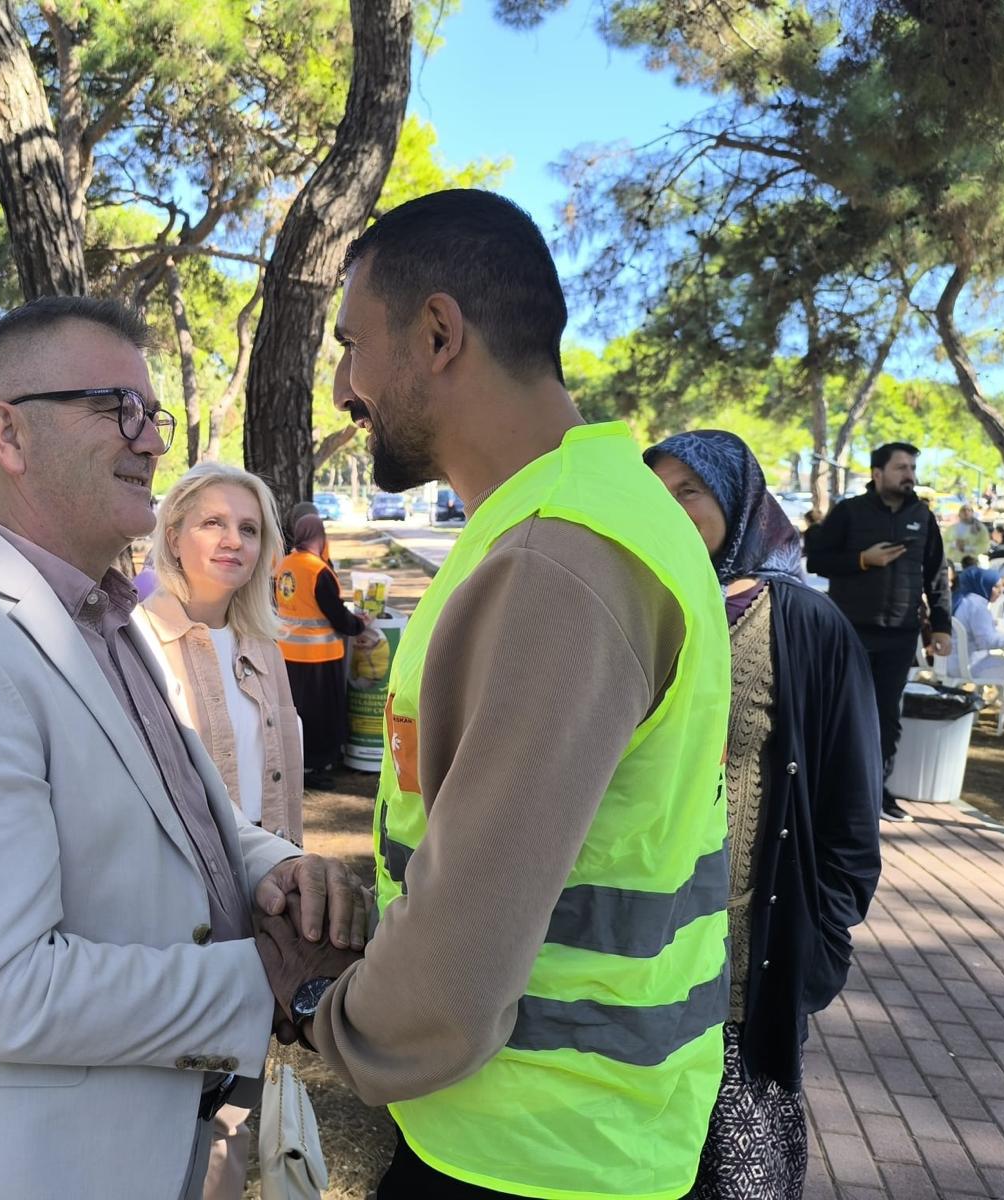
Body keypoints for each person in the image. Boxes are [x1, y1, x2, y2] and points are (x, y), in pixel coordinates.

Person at [251, 189, 733, 1200]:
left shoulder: (558, 556)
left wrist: (315, 1000)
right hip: (577, 1132)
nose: (340, 387)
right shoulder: (587, 513)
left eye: (351, 345)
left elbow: (461, 963)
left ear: (437, 334)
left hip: (533, 1149)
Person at [0, 295, 366, 1200]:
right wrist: (267, 979)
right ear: (9, 434)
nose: (152, 441)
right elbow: (5, 991)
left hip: (172, 1132)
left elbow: (183, 820)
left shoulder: (104, 620)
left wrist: (276, 869)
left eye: (152, 413)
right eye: (116, 408)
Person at [646, 430, 883, 1198]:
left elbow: (851, 799)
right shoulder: (642, 605)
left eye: (690, 490)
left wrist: (826, 928)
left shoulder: (804, 623)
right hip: (638, 957)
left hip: (743, 965)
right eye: (656, 491)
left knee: (735, 1171)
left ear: (737, 500)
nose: (670, 507)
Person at [138, 460, 306, 1200]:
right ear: (174, 533)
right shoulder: (134, 639)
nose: (233, 540)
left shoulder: (263, 644)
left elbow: (281, 787)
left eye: (249, 528)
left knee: (234, 1110)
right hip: (177, 918)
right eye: (213, 522)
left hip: (260, 908)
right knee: (170, 1107)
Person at [805, 442, 950, 823]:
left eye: (912, 468)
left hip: (900, 634)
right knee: (840, 710)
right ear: (877, 473)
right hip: (850, 631)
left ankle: (875, 793)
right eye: (901, 467)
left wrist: (941, 626)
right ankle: (829, 791)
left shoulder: (922, 516)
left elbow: (937, 575)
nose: (909, 475)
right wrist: (861, 560)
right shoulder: (850, 512)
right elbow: (817, 560)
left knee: (887, 716)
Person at [274, 513, 373, 777]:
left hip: (287, 654)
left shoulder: (284, 565)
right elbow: (336, 613)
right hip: (319, 657)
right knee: (320, 714)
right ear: (320, 536)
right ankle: (318, 764)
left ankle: (299, 761)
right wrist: (358, 624)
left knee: (296, 712)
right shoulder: (317, 571)